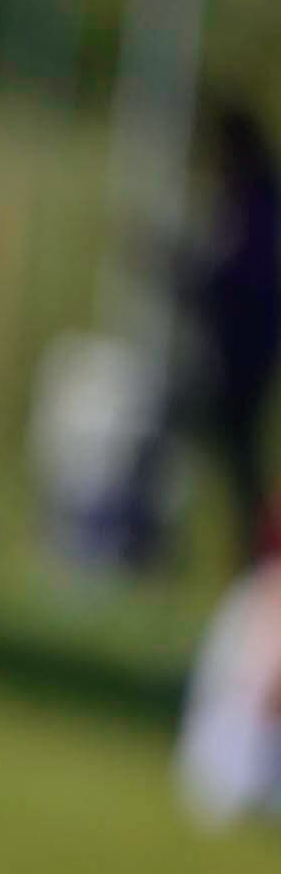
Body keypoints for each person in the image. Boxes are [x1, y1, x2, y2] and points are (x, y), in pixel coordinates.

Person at [174, 98, 280, 574]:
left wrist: (198, 283)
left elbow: (242, 278)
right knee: (235, 461)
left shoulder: (257, 202)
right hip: (241, 347)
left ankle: (252, 558)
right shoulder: (252, 199)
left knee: (237, 463)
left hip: (245, 351)